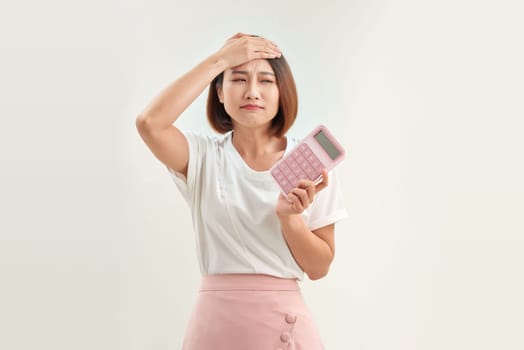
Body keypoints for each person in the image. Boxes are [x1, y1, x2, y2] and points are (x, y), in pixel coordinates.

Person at [136, 32, 348, 350]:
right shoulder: (201, 157)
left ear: (282, 93)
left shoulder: (311, 169)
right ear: (219, 92)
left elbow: (319, 268)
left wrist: (290, 219)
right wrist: (220, 59)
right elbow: (150, 122)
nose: (252, 91)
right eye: (238, 79)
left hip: (284, 326)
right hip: (214, 326)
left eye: (265, 81)